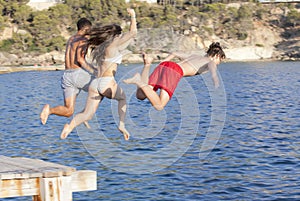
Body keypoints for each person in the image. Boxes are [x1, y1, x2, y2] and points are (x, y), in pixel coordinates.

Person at [60, 8, 137, 140]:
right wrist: (133, 16)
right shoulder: (114, 45)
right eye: (119, 35)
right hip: (107, 82)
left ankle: (69, 126)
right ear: (116, 35)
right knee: (123, 98)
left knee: (87, 114)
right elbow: (133, 32)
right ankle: (122, 125)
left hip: (95, 84)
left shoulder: (101, 47)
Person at [123, 42, 226, 110]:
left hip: (165, 65)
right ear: (216, 56)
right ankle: (138, 81)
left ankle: (147, 65)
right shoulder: (210, 61)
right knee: (159, 106)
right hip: (175, 71)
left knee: (140, 96)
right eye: (219, 60)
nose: (218, 63)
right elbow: (212, 66)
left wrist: (163, 63)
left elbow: (175, 53)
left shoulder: (195, 57)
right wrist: (215, 78)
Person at [40, 18, 97, 127]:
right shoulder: (82, 40)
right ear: (86, 29)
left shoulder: (71, 39)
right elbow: (80, 60)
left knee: (68, 111)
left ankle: (49, 110)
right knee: (100, 89)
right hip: (77, 74)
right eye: (90, 30)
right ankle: (85, 114)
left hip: (66, 76)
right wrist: (93, 71)